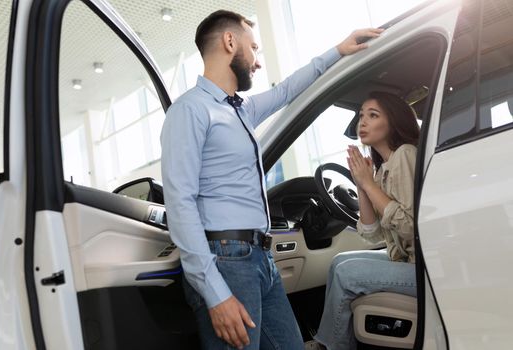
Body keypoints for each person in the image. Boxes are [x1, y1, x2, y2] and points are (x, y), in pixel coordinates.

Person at [160, 9, 383, 350]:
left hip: (261, 258)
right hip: (226, 263)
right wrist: (215, 293)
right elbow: (179, 204)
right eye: (254, 48)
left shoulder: (241, 110)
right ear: (230, 41)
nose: (257, 62)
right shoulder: (190, 111)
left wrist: (337, 50)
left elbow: (288, 90)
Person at [314, 91, 421, 349]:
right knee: (339, 261)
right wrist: (362, 185)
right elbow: (372, 235)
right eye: (361, 115)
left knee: (347, 273)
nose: (362, 122)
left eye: (373, 115)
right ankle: (327, 341)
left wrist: (369, 185)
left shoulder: (405, 154)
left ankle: (330, 346)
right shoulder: (383, 168)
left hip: (421, 269)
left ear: (393, 121)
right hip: (404, 260)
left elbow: (410, 227)